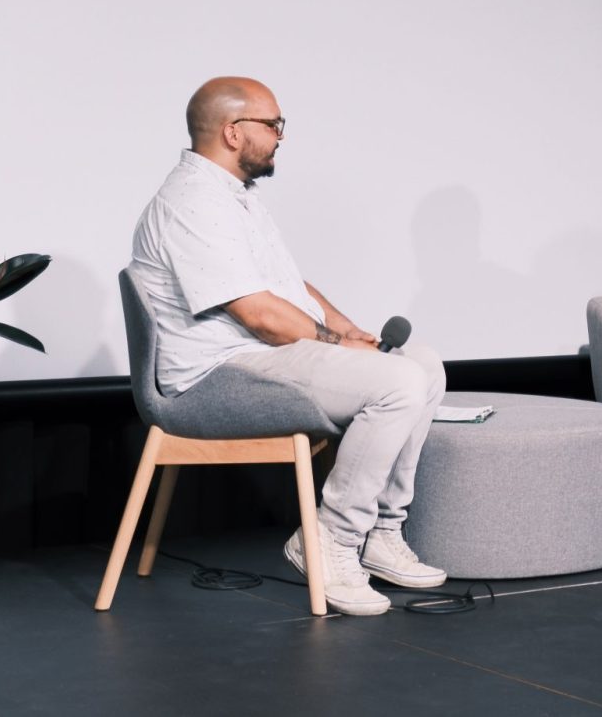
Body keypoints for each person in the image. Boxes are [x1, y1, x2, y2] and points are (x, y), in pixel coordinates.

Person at [128, 76, 447, 615]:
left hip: (258, 356)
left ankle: (380, 533)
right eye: (273, 125)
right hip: (217, 376)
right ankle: (332, 540)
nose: (280, 136)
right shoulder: (192, 202)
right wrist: (338, 347)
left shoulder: (235, 195)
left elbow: (289, 289)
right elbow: (259, 314)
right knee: (398, 383)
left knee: (423, 365)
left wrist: (347, 332)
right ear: (233, 131)